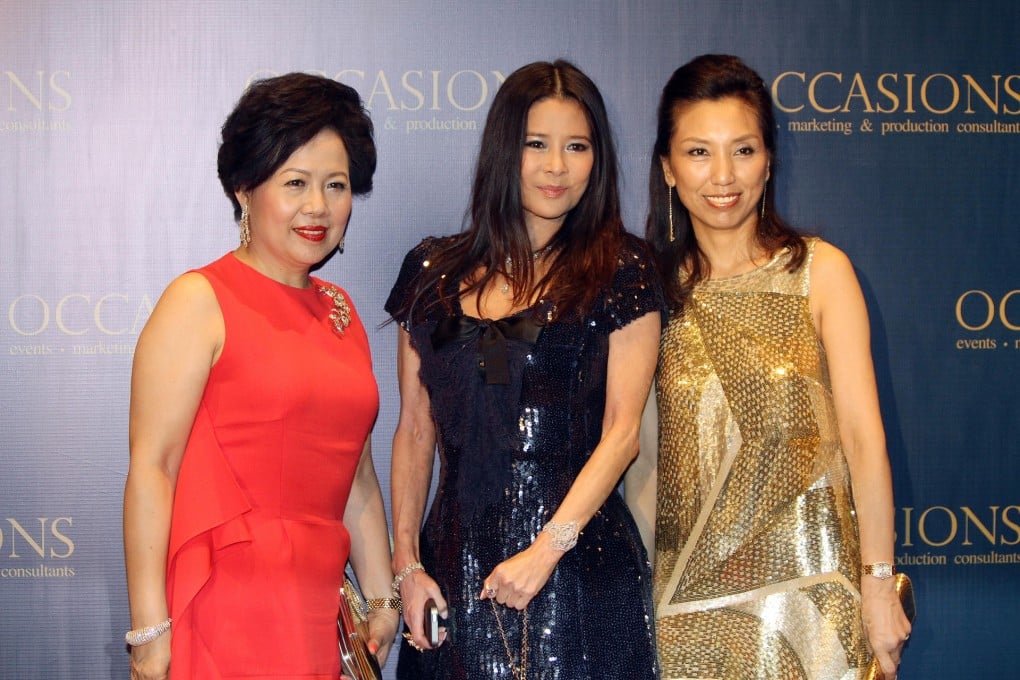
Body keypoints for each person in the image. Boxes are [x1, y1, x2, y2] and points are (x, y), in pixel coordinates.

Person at [386, 60, 662, 679]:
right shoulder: (432, 272)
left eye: (577, 147)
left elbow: (621, 434)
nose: (556, 167)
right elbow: (414, 429)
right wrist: (406, 566)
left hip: (579, 570)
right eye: (536, 144)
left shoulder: (623, 269)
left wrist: (545, 553)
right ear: (505, 150)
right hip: (451, 572)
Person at [638, 54, 912, 679]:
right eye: (699, 152)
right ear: (668, 168)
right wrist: (643, 605)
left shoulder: (821, 271)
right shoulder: (646, 293)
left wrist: (877, 581)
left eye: (743, 149)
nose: (723, 176)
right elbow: (646, 461)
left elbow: (866, 441)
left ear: (769, 160)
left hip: (819, 604)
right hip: (690, 613)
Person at [123, 73, 399, 680]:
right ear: (245, 190)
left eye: (336, 185)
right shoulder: (199, 300)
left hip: (320, 611)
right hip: (227, 606)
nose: (318, 207)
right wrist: (150, 630)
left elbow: (356, 480)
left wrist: (382, 598)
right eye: (295, 184)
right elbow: (153, 466)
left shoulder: (343, 312)